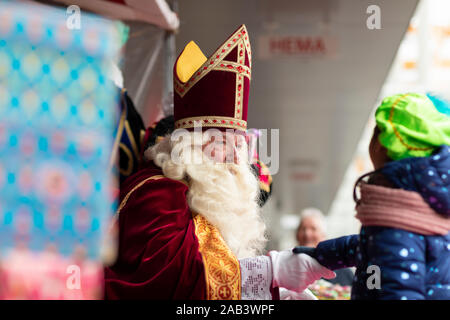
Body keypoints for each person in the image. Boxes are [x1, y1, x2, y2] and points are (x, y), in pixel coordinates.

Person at [104, 24, 335, 300]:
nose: (238, 157)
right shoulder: (156, 192)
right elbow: (174, 280)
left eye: (240, 144)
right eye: (225, 143)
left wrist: (271, 296)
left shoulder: (204, 195)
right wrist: (270, 271)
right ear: (191, 146)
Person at [294, 93, 450, 300]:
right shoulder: (421, 201)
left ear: (382, 144)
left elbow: (391, 264)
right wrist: (322, 255)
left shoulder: (394, 224)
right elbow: (370, 245)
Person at [296, 208, 354, 286]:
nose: (307, 234)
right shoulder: (287, 267)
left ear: (323, 235)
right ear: (296, 235)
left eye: (313, 229)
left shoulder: (343, 271)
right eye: (303, 229)